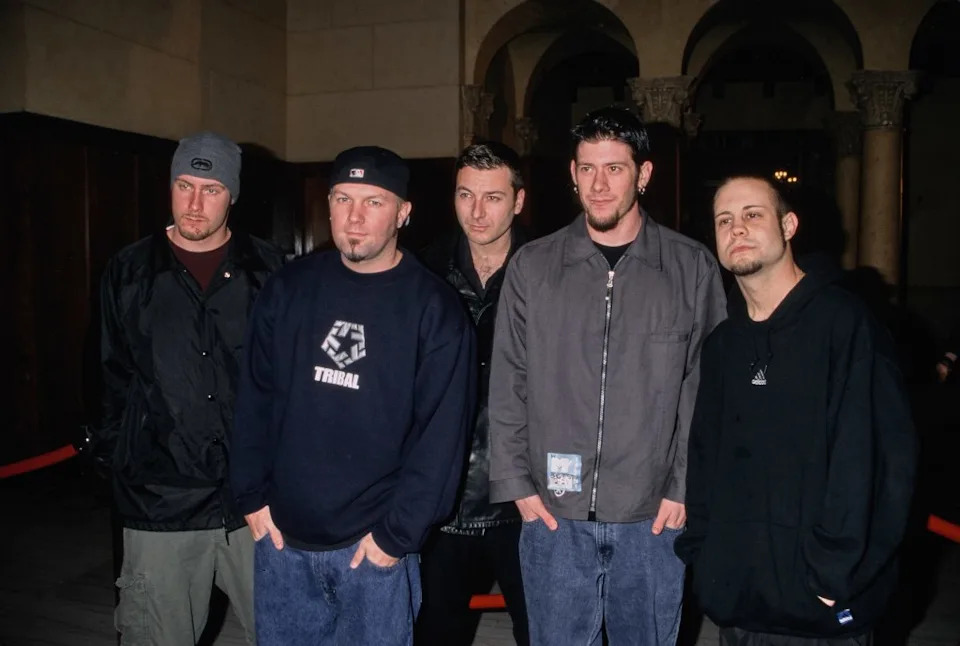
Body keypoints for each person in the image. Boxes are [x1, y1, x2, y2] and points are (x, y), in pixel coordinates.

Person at [488, 107, 727, 645]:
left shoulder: (691, 268)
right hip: (553, 517)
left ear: (643, 175)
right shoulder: (533, 267)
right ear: (572, 174)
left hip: (653, 518)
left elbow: (706, 389)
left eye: (614, 169)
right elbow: (508, 378)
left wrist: (685, 487)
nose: (598, 185)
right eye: (587, 168)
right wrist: (518, 485)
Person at [230, 146, 475, 646]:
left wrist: (396, 537)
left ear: (404, 212)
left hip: (374, 551)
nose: (355, 217)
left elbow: (442, 436)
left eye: (374, 202)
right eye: (343, 199)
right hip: (281, 540)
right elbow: (254, 396)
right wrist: (251, 497)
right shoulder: (289, 287)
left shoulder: (435, 309)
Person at [675, 176, 917, 646]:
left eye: (752, 215)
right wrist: (706, 556)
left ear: (788, 225)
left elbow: (879, 461)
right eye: (724, 220)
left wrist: (834, 575)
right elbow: (705, 459)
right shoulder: (722, 345)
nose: (737, 228)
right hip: (740, 606)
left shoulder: (844, 325)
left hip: (820, 611)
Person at [95, 131, 285, 644]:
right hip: (161, 502)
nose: (195, 203)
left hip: (259, 505)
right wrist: (126, 458)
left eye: (212, 189)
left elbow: (290, 384)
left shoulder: (271, 271)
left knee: (289, 632)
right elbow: (108, 378)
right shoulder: (129, 272)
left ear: (233, 195)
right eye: (184, 185)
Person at [416, 142, 529, 646]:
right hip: (442, 495)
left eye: (493, 198)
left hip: (526, 499)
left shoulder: (550, 272)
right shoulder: (420, 271)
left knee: (543, 632)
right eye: (466, 195)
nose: (477, 212)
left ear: (518, 202)